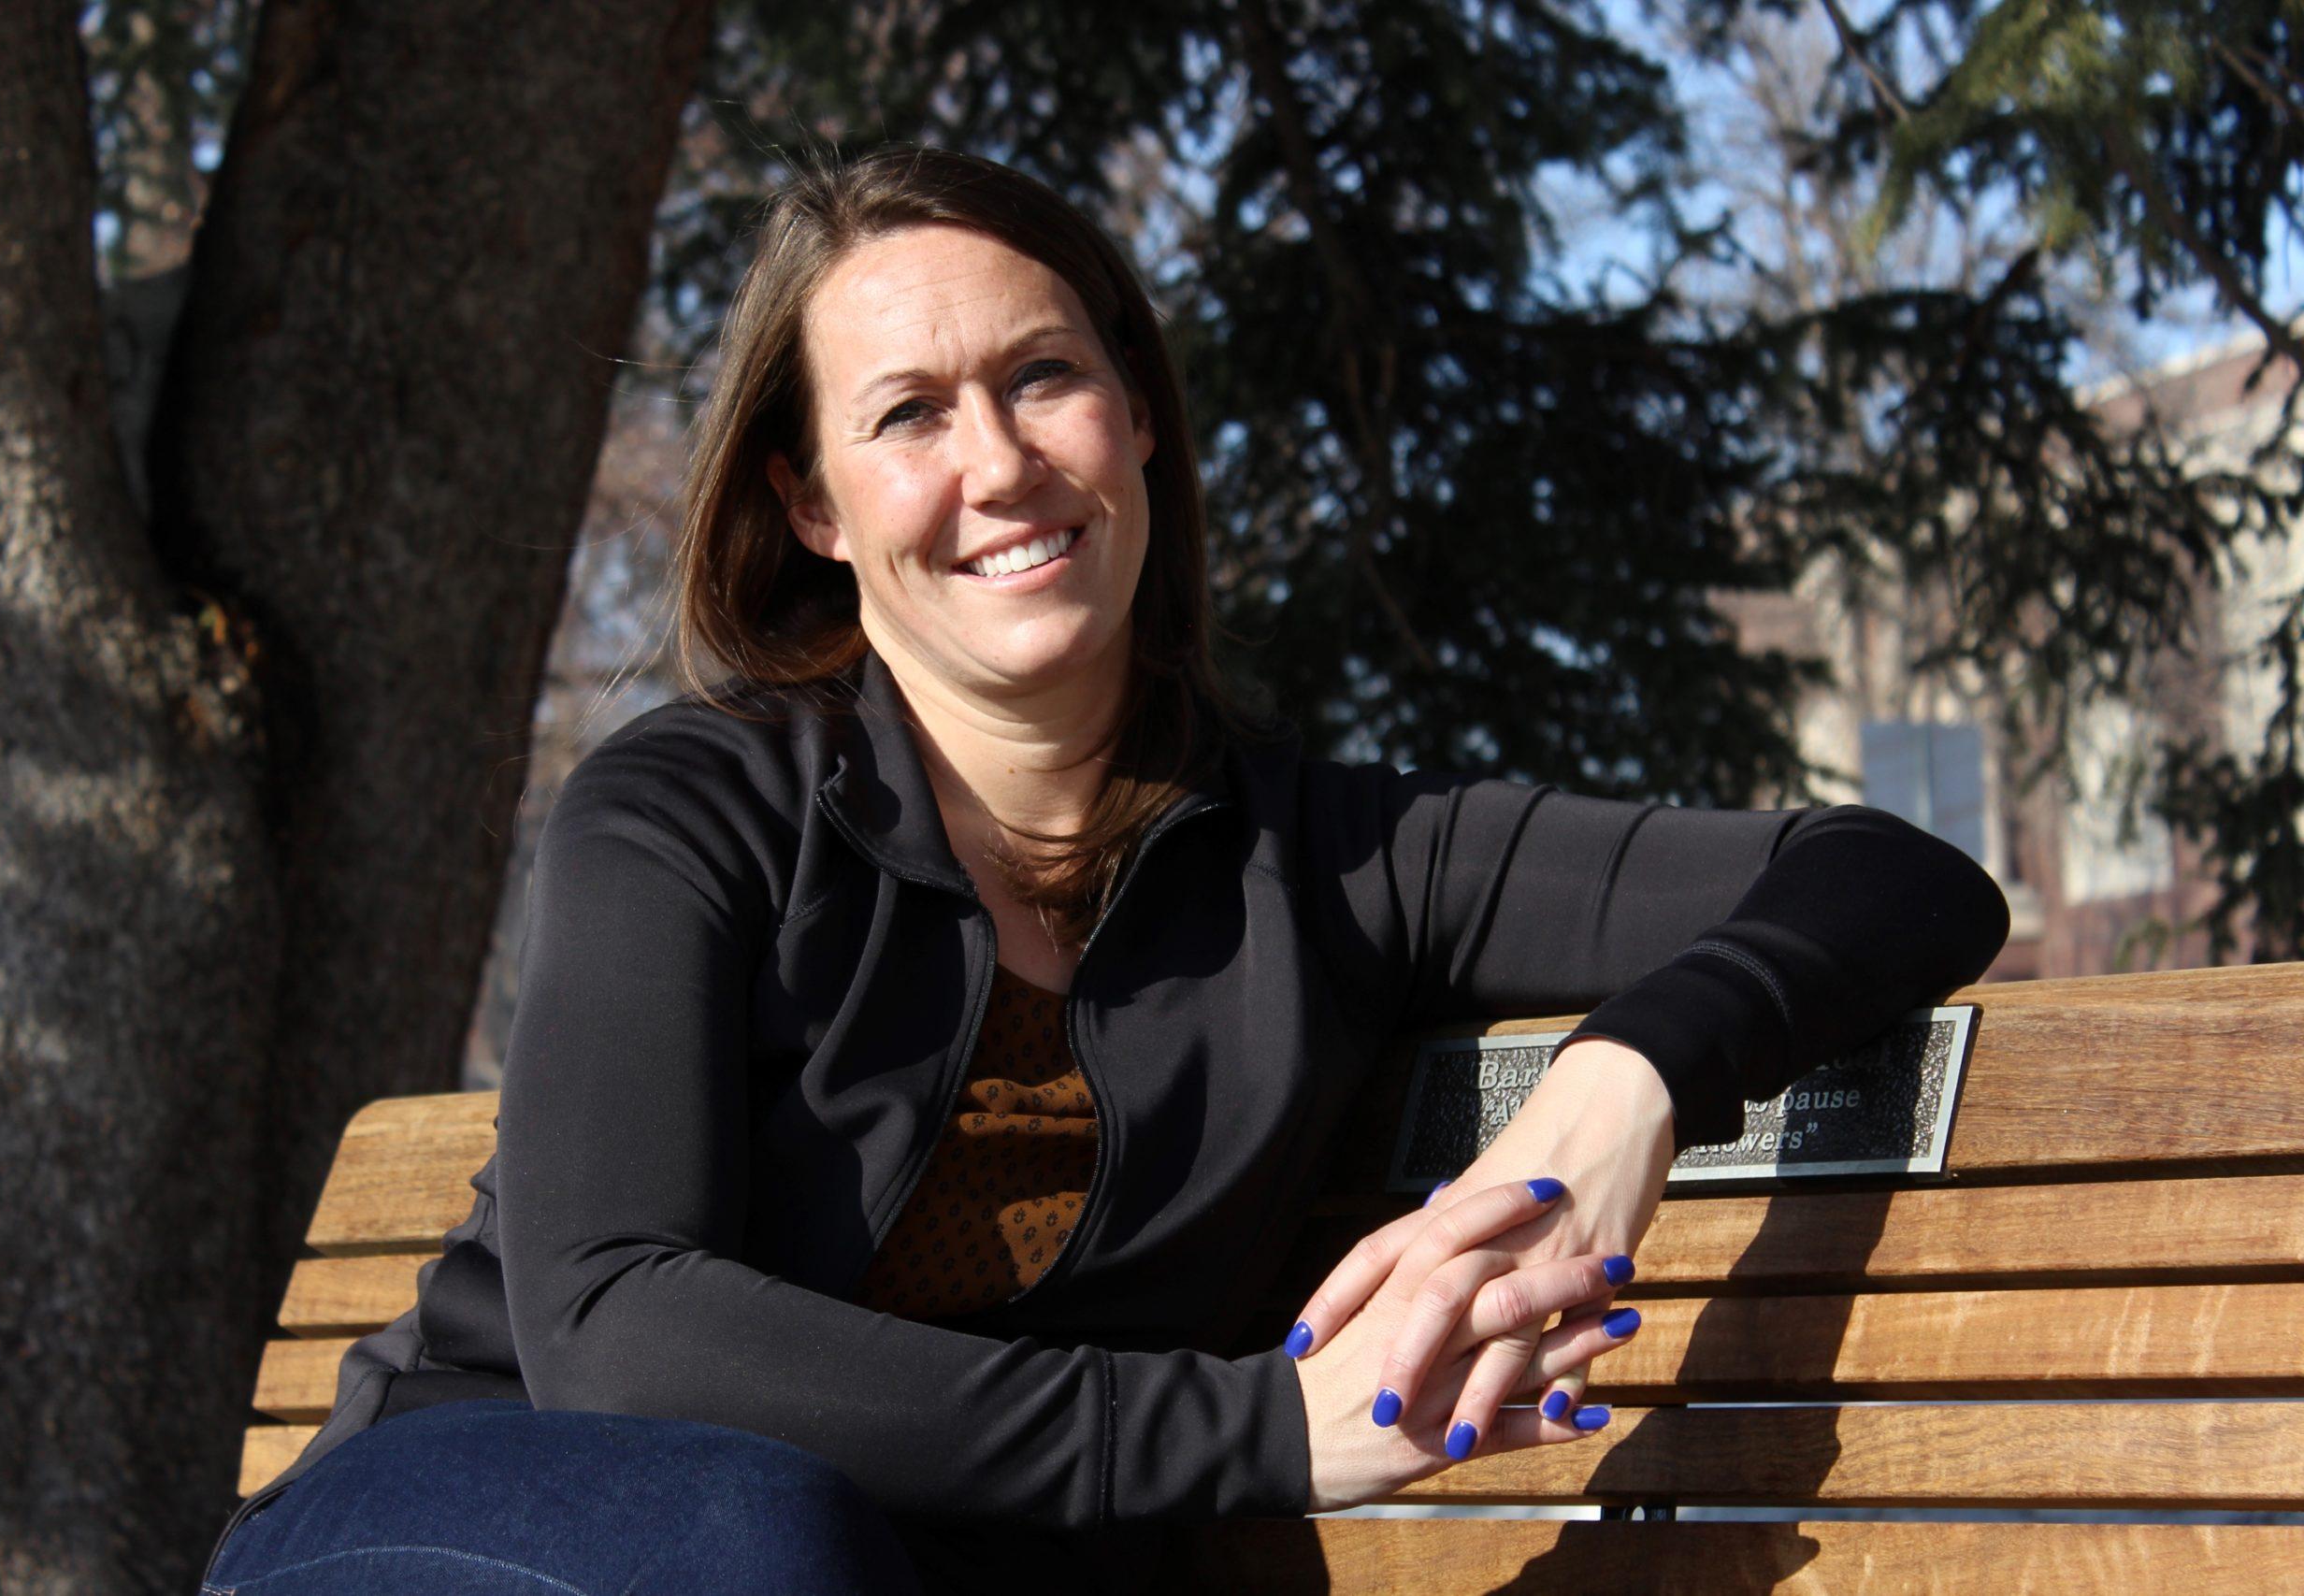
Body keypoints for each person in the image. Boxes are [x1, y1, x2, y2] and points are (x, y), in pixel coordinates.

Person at [196, 143, 2009, 1595]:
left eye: (1043, 375)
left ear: (1133, 418)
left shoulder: (1347, 857)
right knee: (757, 1535)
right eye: (907, 411)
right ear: (811, 505)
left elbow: (1894, 875)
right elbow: (613, 1326)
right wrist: (1256, 1436)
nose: (995, 460)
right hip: (475, 1522)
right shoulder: (692, 804)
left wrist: (1615, 1085)